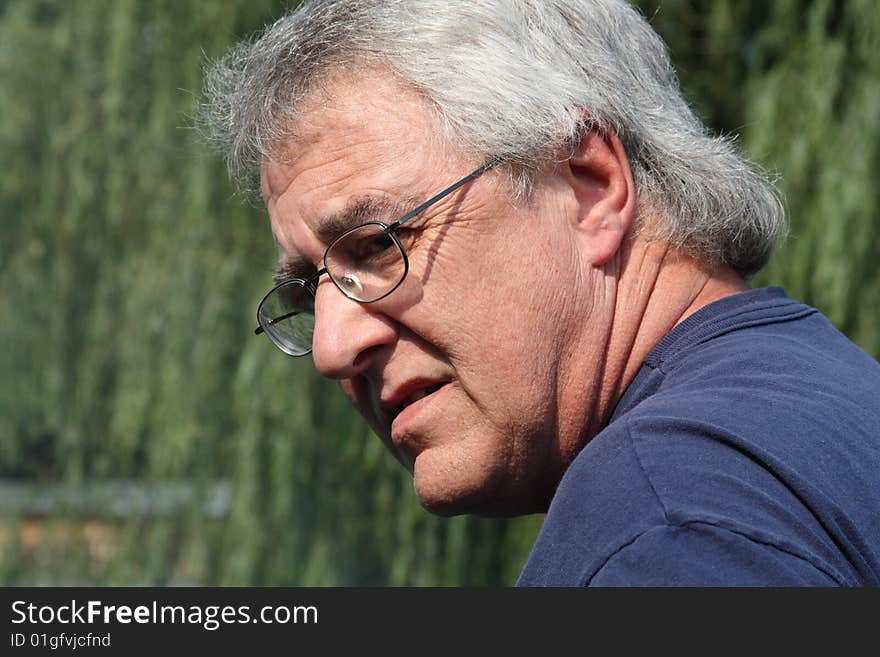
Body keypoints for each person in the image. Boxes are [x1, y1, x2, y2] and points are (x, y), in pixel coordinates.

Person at [200, 0, 880, 585]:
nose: (332, 346)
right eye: (304, 288)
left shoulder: (663, 526)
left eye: (379, 243)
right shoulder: (830, 410)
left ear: (591, 186)